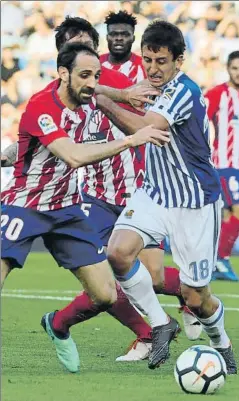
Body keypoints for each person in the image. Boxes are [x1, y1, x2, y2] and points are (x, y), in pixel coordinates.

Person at [1, 16, 201, 365]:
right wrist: (131, 139)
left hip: (71, 208)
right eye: (86, 75)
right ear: (63, 69)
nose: (95, 82)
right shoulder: (42, 103)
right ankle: (156, 327)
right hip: (26, 205)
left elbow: (119, 102)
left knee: (107, 293)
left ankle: (60, 327)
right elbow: (73, 154)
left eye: (97, 74)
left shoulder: (92, 96)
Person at [94, 20, 237, 374]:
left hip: (194, 202)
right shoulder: (148, 85)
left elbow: (144, 129)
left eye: (161, 61)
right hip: (155, 192)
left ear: (179, 61)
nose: (153, 69)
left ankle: (221, 344)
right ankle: (161, 325)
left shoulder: (183, 91)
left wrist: (101, 100)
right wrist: (112, 92)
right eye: (148, 60)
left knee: (195, 296)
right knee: (118, 252)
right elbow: (125, 94)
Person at [205, 51, 239, 281]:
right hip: (223, 164)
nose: (238, 72)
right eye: (234, 68)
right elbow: (199, 119)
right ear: (228, 69)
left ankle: (216, 263)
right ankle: (220, 258)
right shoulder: (217, 94)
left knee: (227, 217)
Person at [100, 10, 146, 83]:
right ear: (107, 38)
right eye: (113, 34)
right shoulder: (96, 64)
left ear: (133, 39)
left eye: (125, 34)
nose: (119, 38)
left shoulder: (145, 66)